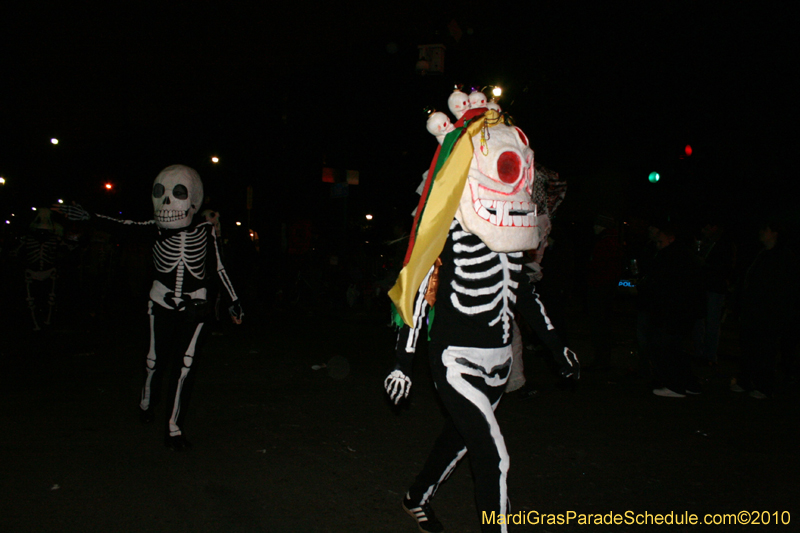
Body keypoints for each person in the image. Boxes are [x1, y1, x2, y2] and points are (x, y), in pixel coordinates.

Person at [384, 99, 578, 533]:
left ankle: (416, 497)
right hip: (456, 360)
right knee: (494, 456)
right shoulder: (451, 228)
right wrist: (403, 362)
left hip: (499, 363)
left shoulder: (511, 232)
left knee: (460, 439)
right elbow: (421, 291)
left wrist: (556, 344)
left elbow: (524, 294)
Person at [55, 165, 244, 450]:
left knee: (186, 366)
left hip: (196, 306)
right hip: (160, 301)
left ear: (193, 201)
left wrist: (234, 301)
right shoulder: (154, 229)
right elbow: (123, 226)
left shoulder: (206, 231)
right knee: (154, 360)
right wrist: (92, 218)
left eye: (178, 194)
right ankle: (146, 400)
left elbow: (219, 267)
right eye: (161, 194)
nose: (167, 203)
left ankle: (174, 428)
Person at [731, 219, 799, 399]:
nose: (762, 232)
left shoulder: (784, 257)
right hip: (752, 311)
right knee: (748, 347)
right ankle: (745, 380)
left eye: (766, 230)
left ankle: (764, 385)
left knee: (765, 350)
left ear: (775, 233)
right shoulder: (761, 254)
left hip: (768, 313)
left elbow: (785, 289)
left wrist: (778, 313)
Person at [638, 224, 703, 397]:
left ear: (670, 238)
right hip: (680, 311)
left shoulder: (670, 257)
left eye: (660, 241)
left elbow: (659, 284)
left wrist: (638, 288)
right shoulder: (684, 255)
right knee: (675, 348)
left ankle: (674, 385)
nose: (657, 245)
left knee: (664, 347)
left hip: (671, 311)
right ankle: (689, 383)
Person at [692, 217, 736, 365]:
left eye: (706, 228)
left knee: (711, 322)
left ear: (713, 227)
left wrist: (705, 264)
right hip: (705, 286)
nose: (703, 231)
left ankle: (709, 355)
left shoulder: (723, 243)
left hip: (714, 287)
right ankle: (700, 352)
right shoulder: (707, 243)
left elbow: (723, 267)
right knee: (700, 320)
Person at [584, 214, 624, 370]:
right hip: (603, 288)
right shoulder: (610, 240)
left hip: (600, 289)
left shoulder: (606, 242)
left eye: (597, 225)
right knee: (602, 325)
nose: (594, 228)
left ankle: (601, 360)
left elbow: (602, 267)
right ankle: (602, 358)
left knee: (600, 325)